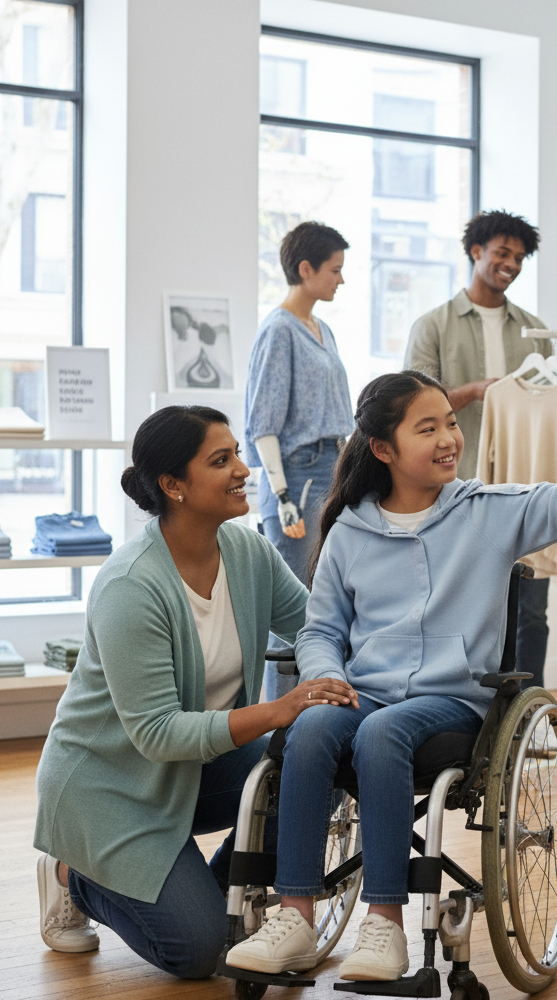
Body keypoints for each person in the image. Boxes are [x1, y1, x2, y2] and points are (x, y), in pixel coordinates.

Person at [225, 367, 557, 981]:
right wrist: (323, 678)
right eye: (427, 427)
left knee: (383, 735)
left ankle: (384, 925)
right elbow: (321, 629)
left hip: (454, 703)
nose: (448, 439)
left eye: (451, 424)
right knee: (307, 728)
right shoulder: (349, 529)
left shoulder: (486, 512)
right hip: (367, 694)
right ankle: (295, 914)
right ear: (383, 449)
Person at [33, 405, 337, 980]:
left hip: (192, 769)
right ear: (173, 486)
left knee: (305, 769)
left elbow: (313, 627)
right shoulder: (131, 586)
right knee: (195, 954)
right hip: (110, 789)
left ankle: (215, 895)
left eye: (238, 454)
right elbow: (155, 732)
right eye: (220, 461)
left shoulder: (248, 553)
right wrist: (276, 710)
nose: (242, 470)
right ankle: (72, 873)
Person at [404, 210, 556, 690]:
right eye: (501, 254)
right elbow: (409, 409)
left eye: (518, 258)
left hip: (522, 487)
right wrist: (472, 391)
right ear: (476, 252)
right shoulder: (433, 325)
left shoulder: (535, 330)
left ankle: (528, 712)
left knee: (531, 607)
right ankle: (463, 710)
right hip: (455, 488)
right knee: (458, 606)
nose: (510, 264)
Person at [246, 220, 355, 700]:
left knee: (326, 604)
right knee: (295, 612)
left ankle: (315, 712)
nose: (340, 280)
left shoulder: (322, 329)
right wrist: (283, 497)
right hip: (297, 480)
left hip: (332, 470)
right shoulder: (278, 331)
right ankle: (281, 725)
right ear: (305, 268)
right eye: (334, 270)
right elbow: (262, 423)